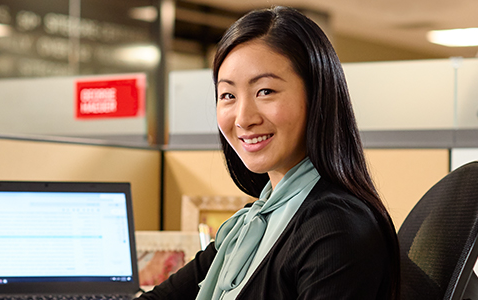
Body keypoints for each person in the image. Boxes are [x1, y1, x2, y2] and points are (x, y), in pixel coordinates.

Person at [136, 6, 400, 300]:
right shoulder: (253, 224)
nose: (242, 118)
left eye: (265, 91)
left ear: (317, 96)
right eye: (228, 95)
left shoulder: (336, 230)